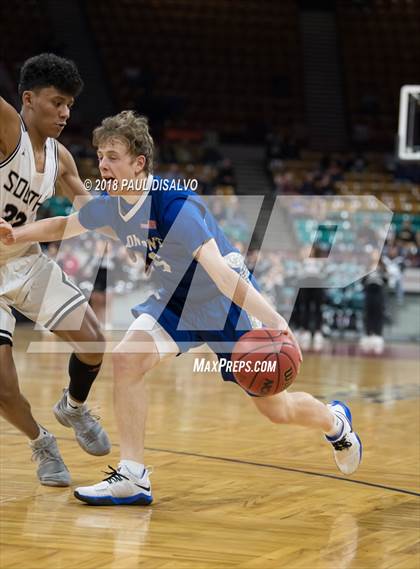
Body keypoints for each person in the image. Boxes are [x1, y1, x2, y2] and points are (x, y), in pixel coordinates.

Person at [0, 111, 362, 505]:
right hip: (175, 303)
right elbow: (64, 226)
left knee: (277, 410)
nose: (103, 164)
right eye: (101, 155)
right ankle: (134, 477)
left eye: (113, 156)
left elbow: (224, 277)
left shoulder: (176, 207)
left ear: (139, 163)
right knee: (126, 359)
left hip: (225, 306)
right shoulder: (110, 204)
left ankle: (336, 423)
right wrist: (15, 233)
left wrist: (277, 323)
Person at [0, 53, 110, 487]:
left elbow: (89, 212)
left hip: (24, 262)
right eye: (57, 102)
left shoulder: (62, 157)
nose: (65, 113)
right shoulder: (9, 127)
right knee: (4, 387)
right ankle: (41, 441)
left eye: (70, 106)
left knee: (94, 342)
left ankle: (74, 407)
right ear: (28, 99)